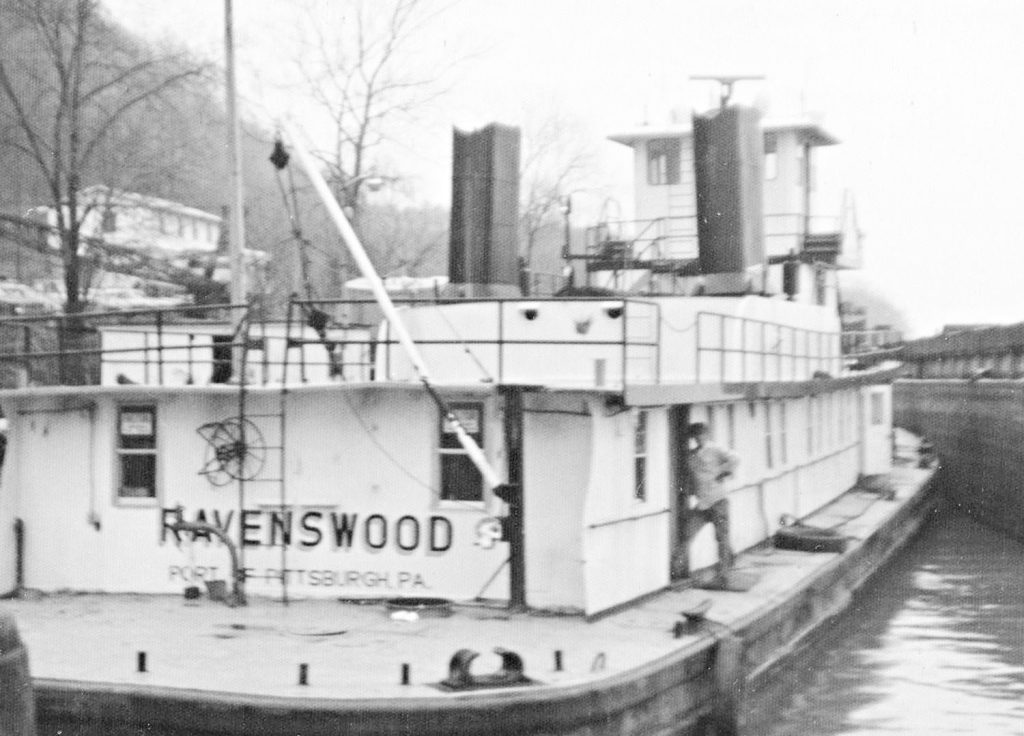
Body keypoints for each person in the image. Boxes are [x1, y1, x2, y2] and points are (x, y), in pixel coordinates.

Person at [685, 422, 739, 586]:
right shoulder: (692, 455)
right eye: (696, 436)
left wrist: (724, 473)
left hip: (718, 501)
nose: (699, 438)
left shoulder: (715, 449)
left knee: (721, 537)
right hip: (702, 503)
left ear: (707, 435)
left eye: (701, 435)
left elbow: (735, 458)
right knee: (688, 532)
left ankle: (724, 575)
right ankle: (730, 559)